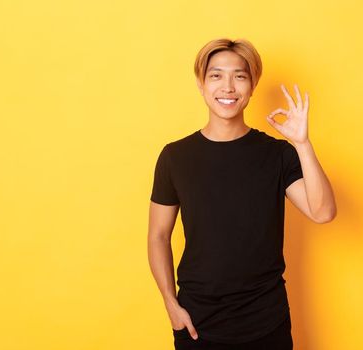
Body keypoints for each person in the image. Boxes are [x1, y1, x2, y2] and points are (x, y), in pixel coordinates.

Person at [147, 38, 337, 349]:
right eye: (216, 75)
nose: (228, 87)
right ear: (201, 83)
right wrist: (170, 303)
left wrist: (302, 144)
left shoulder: (277, 154)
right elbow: (157, 235)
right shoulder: (175, 157)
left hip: (267, 321)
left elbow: (323, 212)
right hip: (198, 323)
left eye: (240, 76)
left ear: (252, 86)